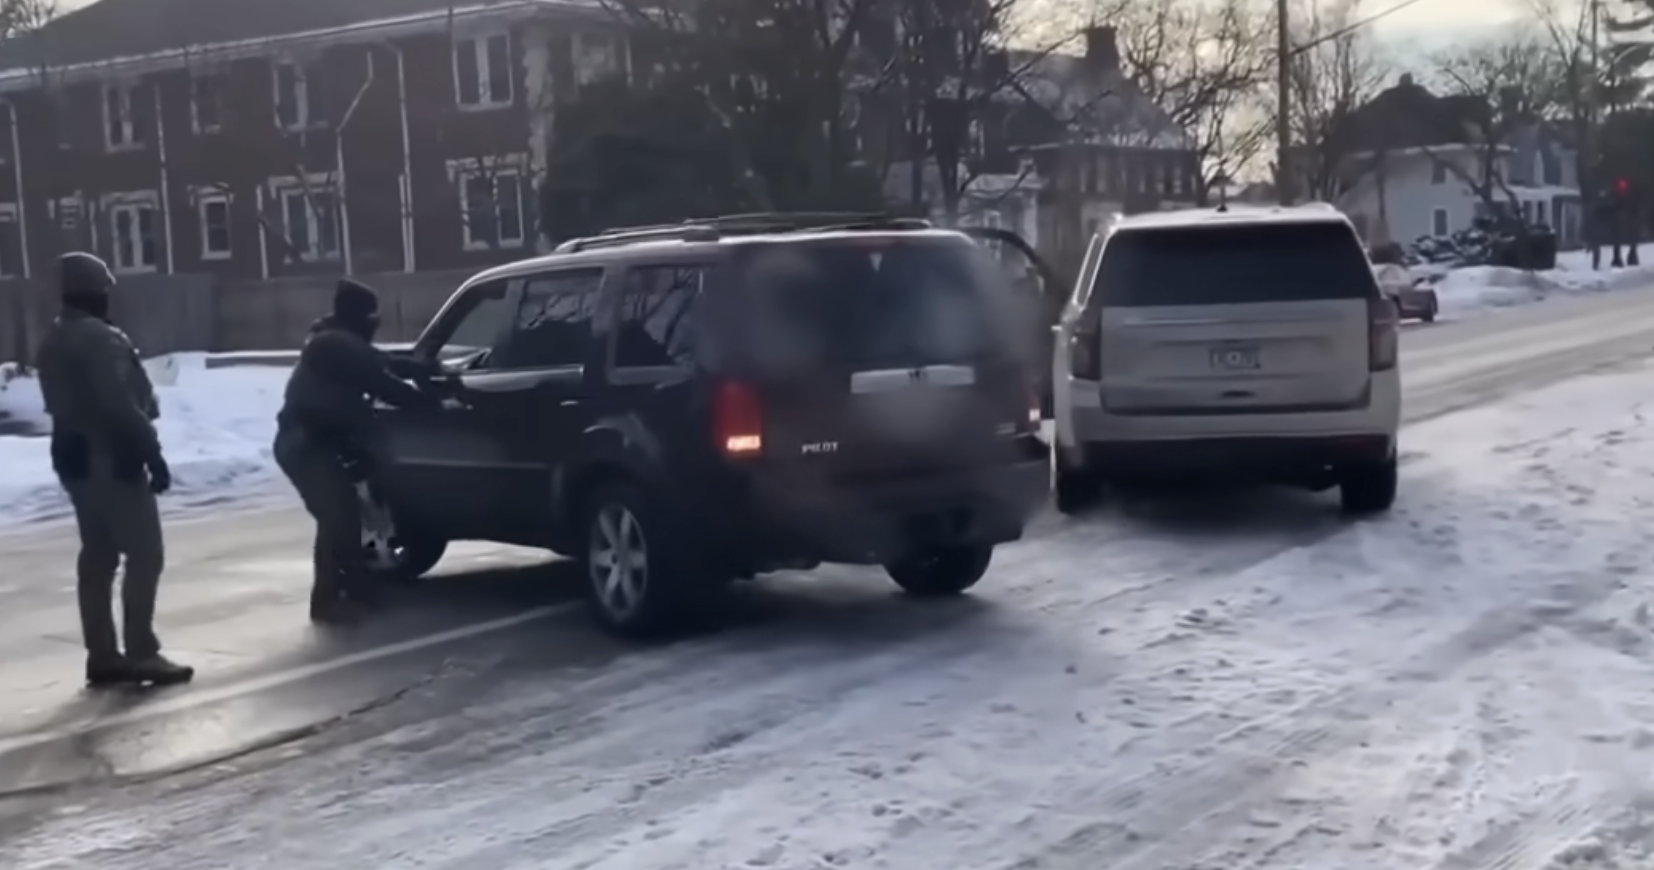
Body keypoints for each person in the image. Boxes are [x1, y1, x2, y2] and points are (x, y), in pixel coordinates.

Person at [34, 252, 194, 688]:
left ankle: (102, 653)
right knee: (145, 553)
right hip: (112, 452)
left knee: (98, 555)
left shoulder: (54, 337)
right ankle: (142, 650)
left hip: (73, 454)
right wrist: (151, 453)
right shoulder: (100, 339)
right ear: (94, 292)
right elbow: (121, 404)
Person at [274, 278, 441, 624]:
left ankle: (351, 589)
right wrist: (429, 404)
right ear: (358, 317)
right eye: (371, 318)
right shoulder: (331, 344)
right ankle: (327, 600)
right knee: (337, 515)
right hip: (303, 444)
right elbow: (380, 379)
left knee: (341, 514)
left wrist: (417, 368)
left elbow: (379, 361)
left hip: (319, 443)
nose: (375, 325)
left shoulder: (336, 342)